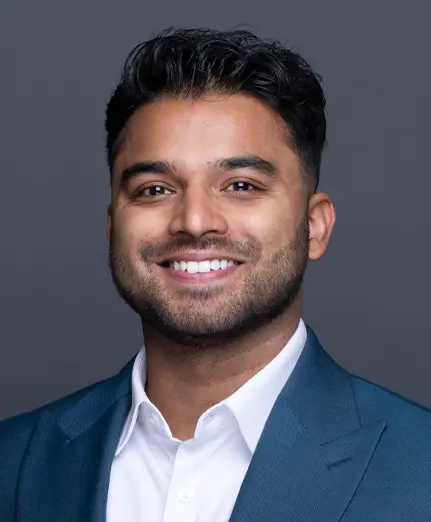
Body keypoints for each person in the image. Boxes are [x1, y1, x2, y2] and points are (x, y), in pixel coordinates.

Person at [1, 27, 430, 522]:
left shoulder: (420, 469)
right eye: (155, 189)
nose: (195, 220)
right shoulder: (15, 463)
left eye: (241, 185)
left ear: (314, 226)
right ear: (112, 225)